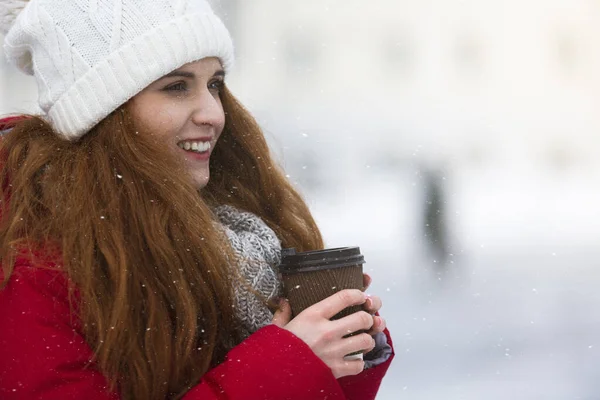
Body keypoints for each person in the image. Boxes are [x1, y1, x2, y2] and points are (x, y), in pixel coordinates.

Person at [0, 0, 394, 399]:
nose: (213, 113)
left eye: (215, 84)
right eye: (176, 87)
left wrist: (344, 351)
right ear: (102, 111)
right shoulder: (36, 260)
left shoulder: (235, 226)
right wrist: (289, 363)